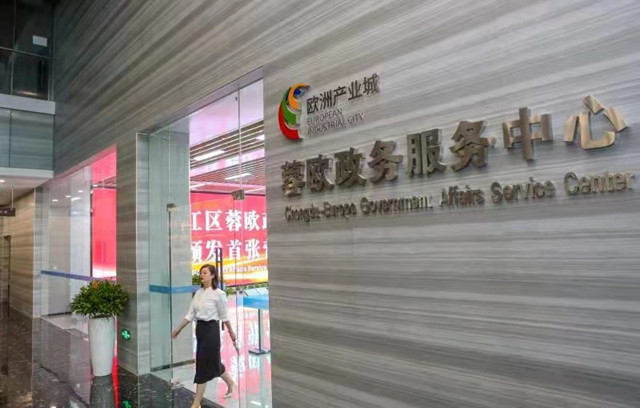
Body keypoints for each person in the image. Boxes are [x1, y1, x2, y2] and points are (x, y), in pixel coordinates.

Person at [171, 264, 236, 407]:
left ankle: (196, 401)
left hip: (212, 331)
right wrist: (178, 329)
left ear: (212, 275)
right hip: (200, 330)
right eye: (201, 272)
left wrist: (231, 331)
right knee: (213, 362)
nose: (201, 275)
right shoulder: (198, 293)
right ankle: (231, 383)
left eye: (205, 273)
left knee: (202, 364)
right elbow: (190, 314)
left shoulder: (219, 294)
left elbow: (224, 316)